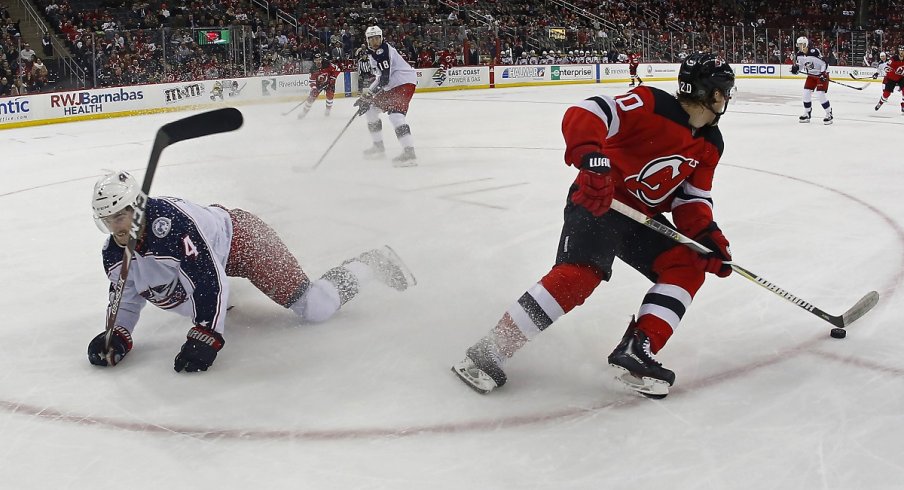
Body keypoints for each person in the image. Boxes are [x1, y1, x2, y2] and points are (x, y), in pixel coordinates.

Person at [452, 53, 736, 399]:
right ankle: (490, 350)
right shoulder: (651, 104)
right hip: (599, 200)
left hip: (640, 217)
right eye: (725, 92)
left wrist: (707, 237)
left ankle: (637, 349)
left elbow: (692, 199)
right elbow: (588, 111)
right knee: (580, 274)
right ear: (716, 95)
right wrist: (592, 158)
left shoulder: (711, 142)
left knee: (688, 265)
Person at [88, 170, 414, 372]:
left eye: (121, 216)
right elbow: (127, 297)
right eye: (108, 220)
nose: (116, 227)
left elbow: (206, 279)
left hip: (242, 241)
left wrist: (207, 334)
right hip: (208, 248)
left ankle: (372, 263)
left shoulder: (171, 226)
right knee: (166, 291)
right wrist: (117, 335)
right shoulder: (113, 254)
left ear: (138, 206)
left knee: (315, 308)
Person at [355, 25, 418, 167]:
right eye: (372, 39)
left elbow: (384, 79)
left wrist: (369, 94)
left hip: (404, 82)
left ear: (382, 38)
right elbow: (380, 78)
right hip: (392, 84)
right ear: (367, 41)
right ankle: (378, 147)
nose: (375, 42)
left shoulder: (382, 52)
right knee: (370, 109)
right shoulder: (373, 53)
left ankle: (409, 154)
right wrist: (366, 96)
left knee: (396, 115)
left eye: (377, 38)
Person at [791, 36, 833, 124]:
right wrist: (796, 69)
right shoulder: (799, 55)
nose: (800, 46)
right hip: (811, 75)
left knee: (820, 95)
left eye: (801, 44)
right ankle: (807, 113)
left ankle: (829, 113)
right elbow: (802, 66)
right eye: (799, 45)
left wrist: (823, 74)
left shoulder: (814, 52)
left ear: (806, 44)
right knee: (806, 94)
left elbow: (824, 63)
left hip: (821, 75)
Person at [298, 52, 340, 119]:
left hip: (329, 83)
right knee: (311, 99)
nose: (318, 61)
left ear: (321, 59)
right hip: (318, 85)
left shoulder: (327, 64)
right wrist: (314, 88)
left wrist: (333, 78)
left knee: (330, 96)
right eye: (316, 60)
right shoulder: (313, 69)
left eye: (319, 59)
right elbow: (312, 81)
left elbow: (337, 69)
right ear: (314, 61)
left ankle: (327, 111)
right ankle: (304, 112)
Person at [874, 46, 904, 112]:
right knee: (886, 94)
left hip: (901, 78)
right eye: (901, 50)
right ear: (898, 51)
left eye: (903, 51)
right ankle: (880, 103)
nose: (902, 52)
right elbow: (886, 67)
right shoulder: (893, 58)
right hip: (891, 78)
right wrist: (889, 70)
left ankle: (903, 105)